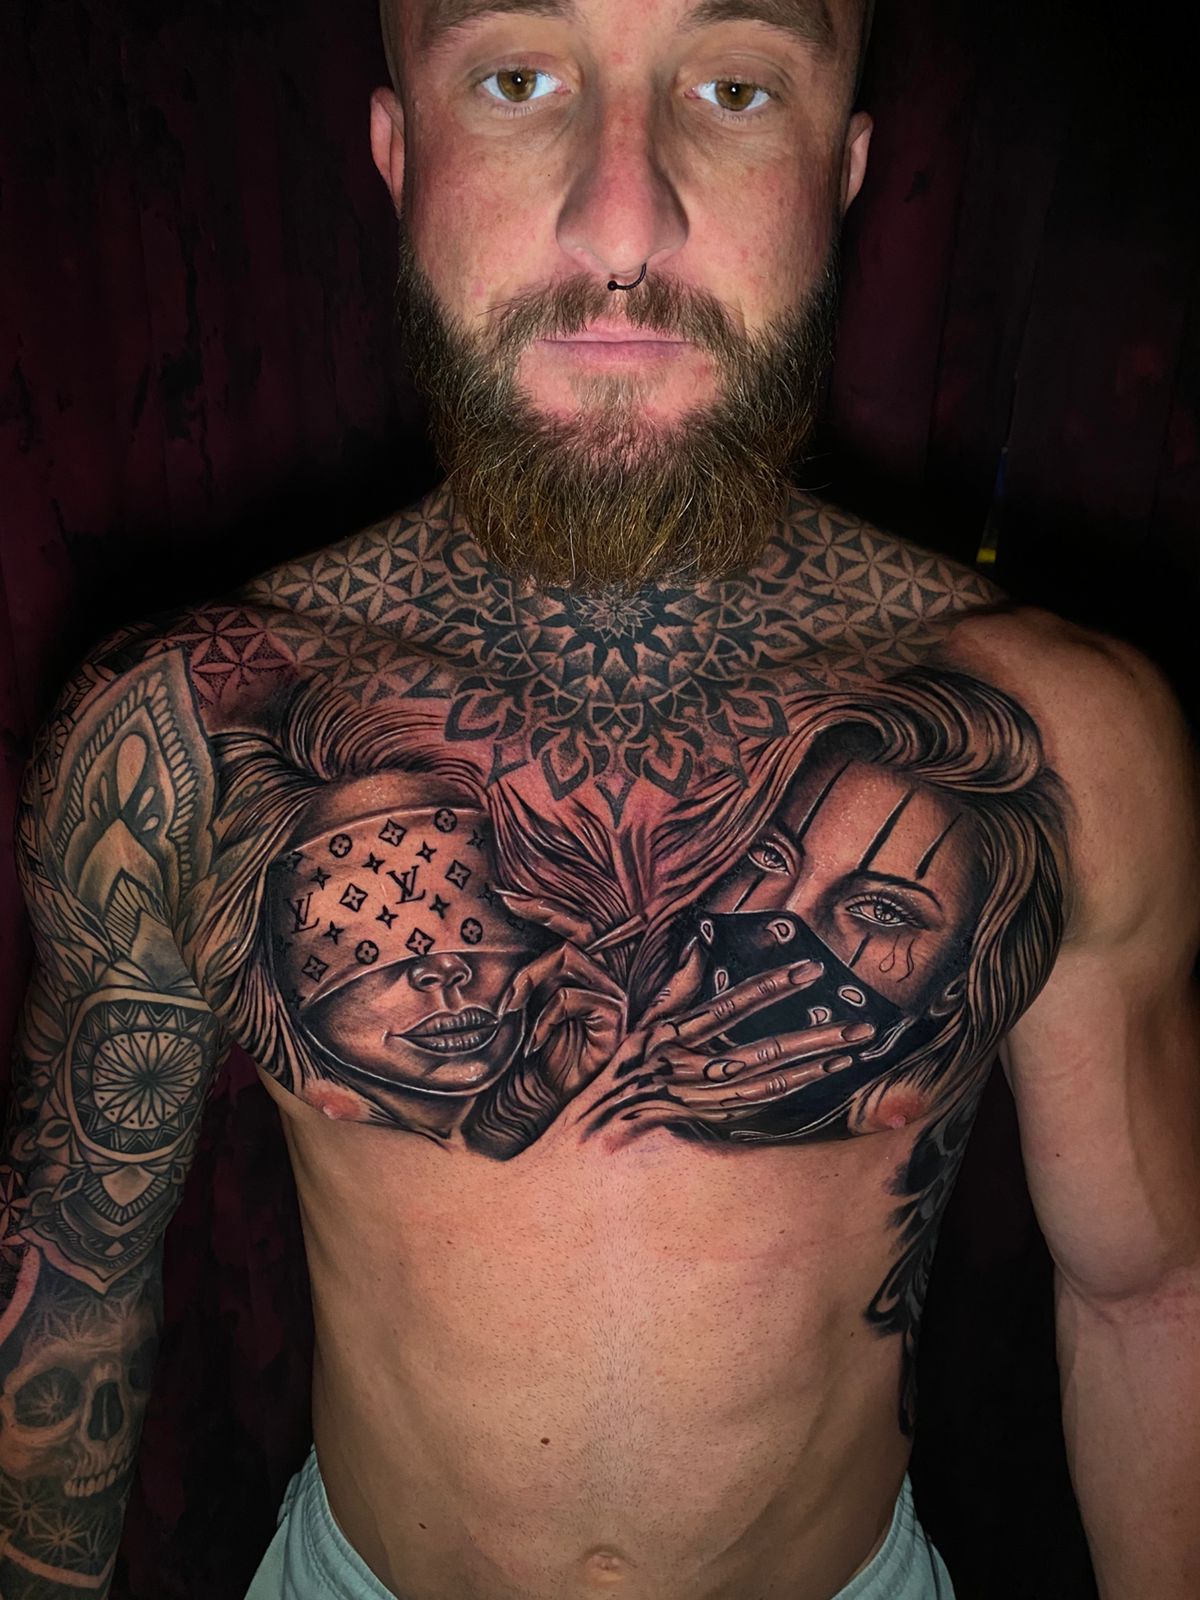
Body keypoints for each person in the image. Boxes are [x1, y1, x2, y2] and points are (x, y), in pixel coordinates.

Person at [0, 0, 1197, 1593]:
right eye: (518, 77)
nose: (623, 222)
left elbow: (1148, 1294)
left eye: (733, 86)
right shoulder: (180, 731)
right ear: (398, 152)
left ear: (842, 171)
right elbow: (73, 1279)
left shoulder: (1068, 737)